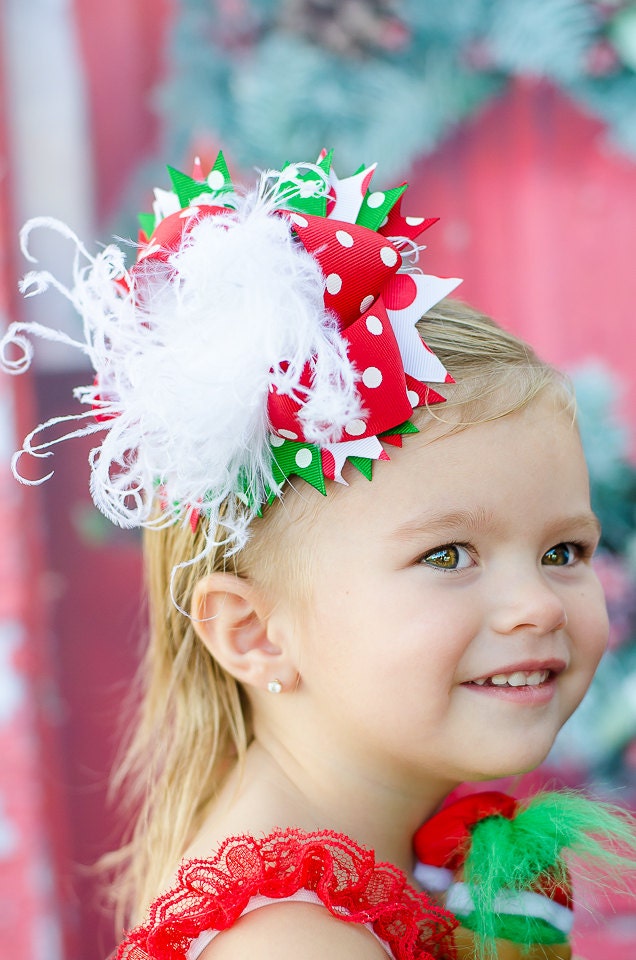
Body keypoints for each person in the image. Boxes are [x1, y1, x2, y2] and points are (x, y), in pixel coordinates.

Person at [2, 151, 634, 960]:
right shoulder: (293, 939)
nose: (541, 604)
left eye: (565, 550)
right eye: (447, 556)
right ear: (254, 632)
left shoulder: (372, 859)